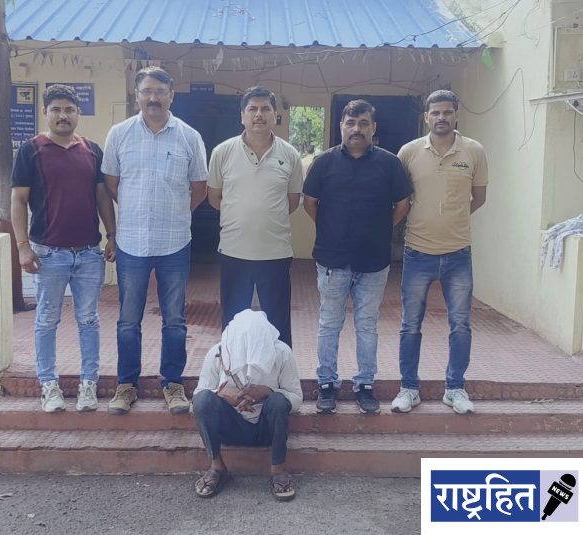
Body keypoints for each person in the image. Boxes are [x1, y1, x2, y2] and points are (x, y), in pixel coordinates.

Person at [102, 67, 208, 416]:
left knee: (175, 320)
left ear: (171, 96)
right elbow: (112, 184)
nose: (153, 98)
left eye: (160, 91)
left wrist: (175, 213)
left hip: (174, 242)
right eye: (147, 91)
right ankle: (126, 385)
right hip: (131, 242)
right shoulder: (119, 134)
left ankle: (173, 384)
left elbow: (199, 188)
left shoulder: (189, 137)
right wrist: (134, 212)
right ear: (137, 96)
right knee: (128, 320)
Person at [11, 84, 116, 413]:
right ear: (45, 112)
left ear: (78, 113)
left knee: (89, 320)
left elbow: (102, 196)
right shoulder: (30, 151)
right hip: (48, 253)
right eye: (56, 109)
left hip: (88, 253)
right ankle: (49, 386)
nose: (63, 115)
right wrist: (22, 247)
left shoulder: (92, 150)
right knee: (46, 320)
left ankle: (89, 384)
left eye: (69, 109)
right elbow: (18, 200)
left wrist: (112, 235)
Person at [303, 100, 412, 415]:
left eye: (363, 123)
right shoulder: (324, 163)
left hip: (373, 262)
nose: (356, 129)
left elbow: (403, 204)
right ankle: (327, 384)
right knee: (329, 323)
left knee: (367, 325)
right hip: (332, 260)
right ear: (341, 126)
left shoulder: (389, 164)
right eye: (350, 123)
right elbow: (310, 202)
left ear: (373, 128)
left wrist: (380, 229)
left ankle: (365, 385)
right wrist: (331, 229)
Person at [393, 90, 488, 415]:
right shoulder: (408, 152)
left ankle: (455, 389)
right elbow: (400, 198)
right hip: (417, 252)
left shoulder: (474, 151)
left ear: (456, 115)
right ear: (426, 117)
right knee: (410, 324)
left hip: (458, 253)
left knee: (460, 325)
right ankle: (408, 389)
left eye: (447, 112)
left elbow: (479, 197)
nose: (441, 118)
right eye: (435, 113)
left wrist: (452, 220)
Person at [207, 86, 303, 347]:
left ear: (275, 115)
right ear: (242, 115)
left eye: (265, 109)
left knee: (278, 324)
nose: (258, 114)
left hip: (275, 253)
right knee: (232, 322)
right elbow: (214, 197)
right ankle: (233, 371)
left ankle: (280, 373)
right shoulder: (223, 152)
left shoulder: (289, 154)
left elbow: (292, 201)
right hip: (234, 251)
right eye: (252, 109)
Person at [192, 309, 303, 500]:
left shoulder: (282, 352)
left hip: (266, 429)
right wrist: (221, 393)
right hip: (231, 427)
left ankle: (278, 470)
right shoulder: (218, 352)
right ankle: (217, 468)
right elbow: (198, 396)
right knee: (203, 400)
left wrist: (267, 392)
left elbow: (296, 398)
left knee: (278, 401)